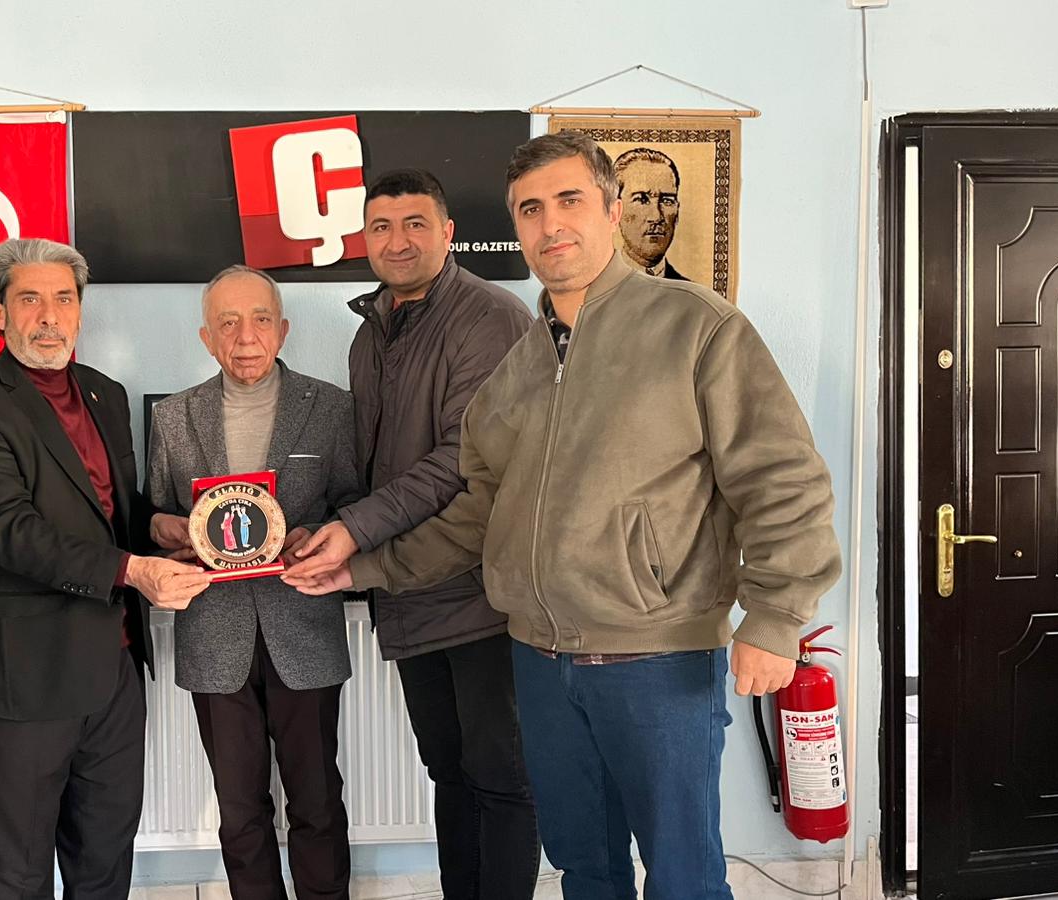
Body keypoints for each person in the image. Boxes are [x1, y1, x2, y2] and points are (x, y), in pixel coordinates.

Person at [290, 133, 842, 899]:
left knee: (683, 877)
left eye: (569, 200)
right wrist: (364, 568)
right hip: (540, 662)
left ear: (610, 211)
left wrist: (777, 616)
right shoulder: (517, 366)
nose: (551, 224)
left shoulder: (695, 327)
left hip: (658, 660)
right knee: (584, 868)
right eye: (530, 210)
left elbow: (781, 478)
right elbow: (477, 515)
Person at [282, 169, 540, 899]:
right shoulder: (371, 334)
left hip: (481, 596)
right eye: (382, 227)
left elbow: (463, 459)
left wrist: (353, 529)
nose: (398, 241)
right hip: (407, 593)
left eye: (416, 224)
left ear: (449, 233)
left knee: (501, 779)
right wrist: (323, 526)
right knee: (450, 772)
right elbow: (374, 467)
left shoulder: (490, 317)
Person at [0, 238, 211, 900]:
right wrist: (133, 570)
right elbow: (6, 529)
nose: (49, 316)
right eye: (29, 299)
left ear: (80, 311)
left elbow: (106, 506)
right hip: (26, 675)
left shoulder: (103, 393)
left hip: (115, 669)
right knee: (17, 871)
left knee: (105, 857)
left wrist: (155, 525)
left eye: (63, 299)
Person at [147, 265, 363, 900]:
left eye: (261, 319)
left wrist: (319, 531)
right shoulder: (172, 417)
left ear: (283, 329)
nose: (246, 336)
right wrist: (164, 527)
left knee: (317, 800)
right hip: (214, 637)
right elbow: (152, 513)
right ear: (207, 338)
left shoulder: (331, 407)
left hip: (304, 626)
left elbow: (355, 503)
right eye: (228, 323)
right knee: (239, 810)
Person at [614, 147, 689, 280]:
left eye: (667, 201)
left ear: (677, 211)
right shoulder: (592, 286)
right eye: (641, 200)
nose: (656, 217)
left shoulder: (690, 291)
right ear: (615, 210)